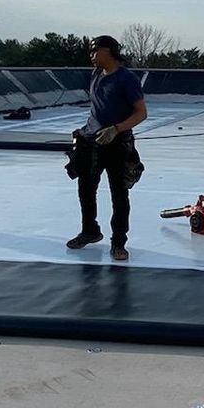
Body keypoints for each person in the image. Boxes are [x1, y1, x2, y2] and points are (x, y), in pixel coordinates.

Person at [66, 34, 146, 261]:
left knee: (119, 194)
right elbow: (98, 109)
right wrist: (84, 130)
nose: (91, 55)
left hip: (117, 144)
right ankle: (90, 231)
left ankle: (119, 241)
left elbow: (141, 113)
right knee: (85, 188)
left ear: (108, 51)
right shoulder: (96, 74)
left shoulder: (126, 79)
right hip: (91, 142)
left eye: (95, 51)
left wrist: (116, 129)